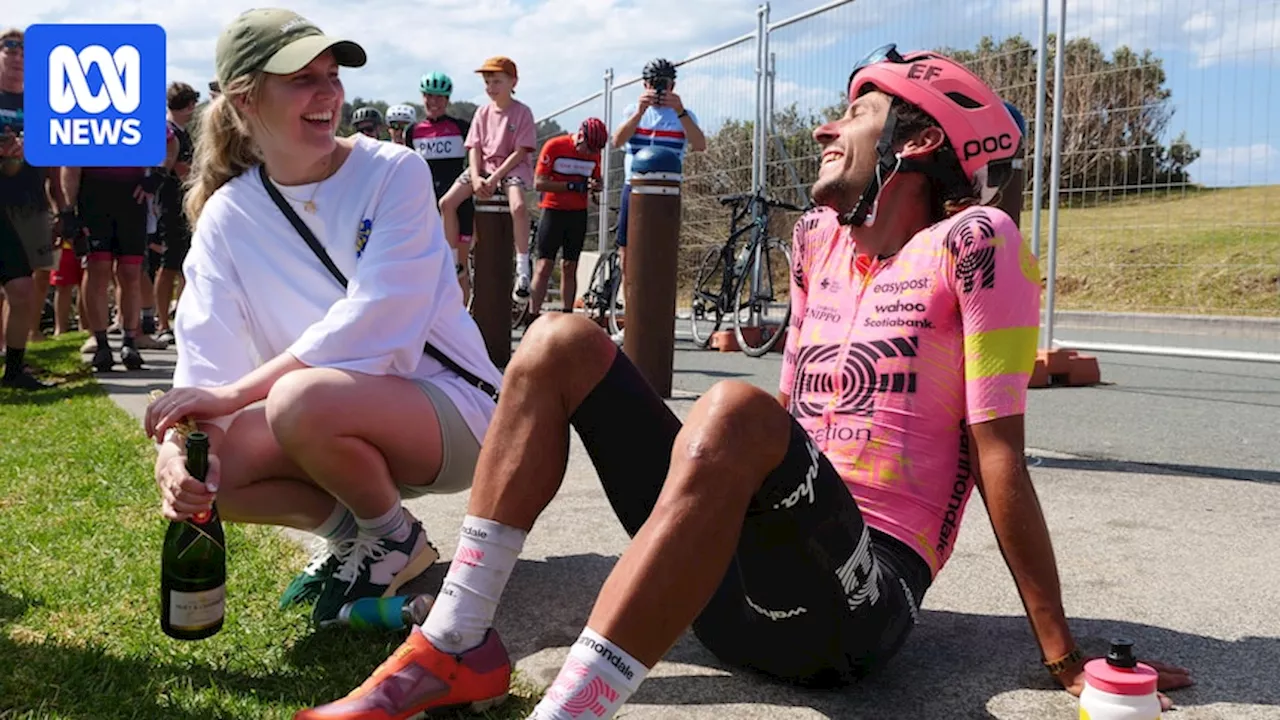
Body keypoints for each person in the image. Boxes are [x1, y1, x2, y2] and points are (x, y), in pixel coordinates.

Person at [294, 45, 1195, 720]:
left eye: (856, 113)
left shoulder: (978, 243)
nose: (824, 128)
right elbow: (794, 424)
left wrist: (1064, 652)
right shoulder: (814, 240)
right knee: (561, 339)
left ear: (918, 141)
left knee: (732, 408)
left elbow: (998, 453)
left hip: (855, 603)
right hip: (730, 590)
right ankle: (454, 641)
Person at [143, 8, 502, 626]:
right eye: (302, 77)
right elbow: (207, 354)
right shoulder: (227, 216)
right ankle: (360, 537)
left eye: (331, 74)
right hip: (327, 421)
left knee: (295, 400)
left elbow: (381, 321)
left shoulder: (394, 171)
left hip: (452, 414)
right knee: (212, 476)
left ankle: (390, 535)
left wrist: (237, 394)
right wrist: (181, 451)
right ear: (244, 99)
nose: (328, 93)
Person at [608, 57, 705, 342]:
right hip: (634, 189)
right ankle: (632, 319)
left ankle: (660, 320)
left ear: (674, 85)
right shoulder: (633, 110)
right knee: (628, 255)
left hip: (667, 192)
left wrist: (681, 111)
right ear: (644, 84)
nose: (659, 90)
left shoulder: (684, 115)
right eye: (653, 84)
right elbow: (616, 141)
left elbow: (699, 145)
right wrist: (639, 112)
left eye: (664, 84)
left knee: (662, 254)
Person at [438, 56, 536, 305]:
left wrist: (494, 178)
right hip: (482, 169)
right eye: (487, 82)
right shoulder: (482, 112)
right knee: (446, 203)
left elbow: (520, 152)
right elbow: (474, 147)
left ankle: (523, 268)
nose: (491, 87)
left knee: (519, 206)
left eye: (496, 81)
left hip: (509, 169)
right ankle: (452, 263)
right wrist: (475, 175)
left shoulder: (522, 112)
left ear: (513, 82)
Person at [0, 27, 58, 389]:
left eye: (25, 49)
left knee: (24, 287)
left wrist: (63, 207)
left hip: (28, 202)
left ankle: (15, 370)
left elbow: (57, 155)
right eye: (10, 47)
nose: (18, 55)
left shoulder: (43, 102)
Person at [528, 117, 607, 319]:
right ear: (580, 136)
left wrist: (596, 187)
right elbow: (539, 183)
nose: (590, 154)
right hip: (553, 210)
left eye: (595, 151)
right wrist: (570, 186)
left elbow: (595, 180)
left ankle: (567, 314)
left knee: (570, 265)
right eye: (588, 149)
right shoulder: (555, 146)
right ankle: (533, 314)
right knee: (544, 265)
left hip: (577, 213)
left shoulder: (594, 154)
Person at [405, 72, 475, 288]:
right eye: (429, 96)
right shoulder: (413, 131)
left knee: (459, 270)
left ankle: (461, 317)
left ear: (447, 100)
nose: (433, 102)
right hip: (426, 205)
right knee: (430, 268)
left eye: (439, 97)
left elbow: (476, 159)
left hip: (458, 203)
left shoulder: (462, 127)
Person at [152, 82, 201, 345]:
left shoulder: (184, 132)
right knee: (168, 264)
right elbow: (182, 170)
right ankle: (162, 322)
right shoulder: (169, 131)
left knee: (184, 264)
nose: (193, 109)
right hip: (170, 202)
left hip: (184, 204)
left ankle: (180, 318)